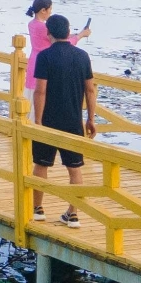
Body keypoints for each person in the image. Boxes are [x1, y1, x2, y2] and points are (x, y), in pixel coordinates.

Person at [30, 13, 96, 225]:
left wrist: (38, 121)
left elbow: (40, 91)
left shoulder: (45, 56)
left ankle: (38, 209)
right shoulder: (82, 56)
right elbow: (90, 90)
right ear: (68, 32)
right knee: (74, 168)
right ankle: (73, 213)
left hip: (49, 118)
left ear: (48, 33)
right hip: (73, 120)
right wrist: (90, 119)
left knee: (41, 165)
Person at [24, 0, 92, 94]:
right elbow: (65, 42)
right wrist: (81, 35)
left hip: (34, 60)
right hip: (47, 60)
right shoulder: (44, 28)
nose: (51, 12)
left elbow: (62, 36)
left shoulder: (32, 24)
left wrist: (78, 33)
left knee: (33, 93)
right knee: (42, 92)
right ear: (43, 10)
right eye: (50, 9)